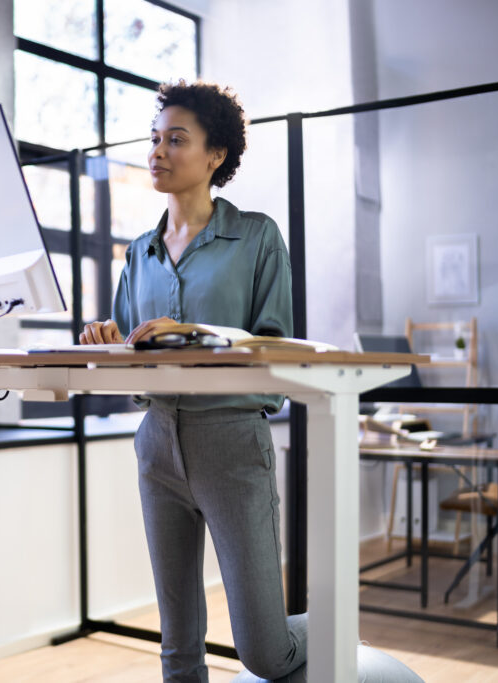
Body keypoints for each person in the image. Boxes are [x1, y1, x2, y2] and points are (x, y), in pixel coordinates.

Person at [79, 80, 307, 682]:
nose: (158, 151)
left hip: (231, 443)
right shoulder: (140, 253)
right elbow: (134, 348)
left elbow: (276, 350)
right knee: (178, 648)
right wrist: (108, 334)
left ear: (216, 156)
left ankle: (333, 623)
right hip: (156, 443)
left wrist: (193, 332)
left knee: (264, 652)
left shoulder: (257, 237)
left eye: (176, 139)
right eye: (155, 139)